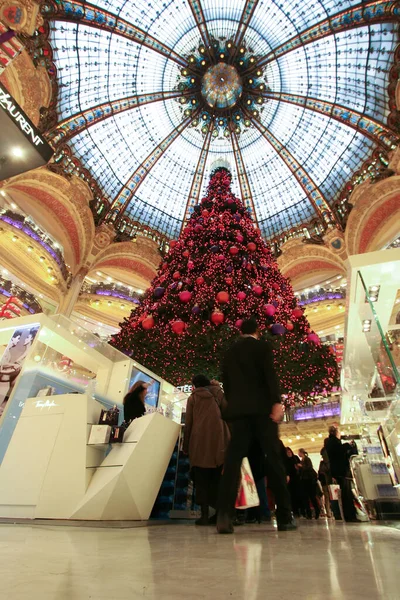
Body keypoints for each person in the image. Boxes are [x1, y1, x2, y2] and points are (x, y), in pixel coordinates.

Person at [217, 317, 295, 534]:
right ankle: (285, 516)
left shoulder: (229, 352)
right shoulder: (262, 347)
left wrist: (236, 404)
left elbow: (228, 384)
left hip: (240, 413)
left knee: (232, 462)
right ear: (258, 331)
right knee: (273, 459)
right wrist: (277, 402)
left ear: (241, 332)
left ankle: (224, 515)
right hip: (263, 412)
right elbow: (269, 375)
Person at [183, 375, 230, 526]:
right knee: (217, 479)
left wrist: (186, 446)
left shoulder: (192, 399)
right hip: (219, 440)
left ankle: (204, 515)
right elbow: (228, 414)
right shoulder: (218, 393)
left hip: (199, 442)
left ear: (195, 385)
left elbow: (189, 423)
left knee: (201, 480)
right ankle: (220, 515)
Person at [324, 424, 357, 522]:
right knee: (346, 493)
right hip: (341, 470)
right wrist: (347, 445)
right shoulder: (333, 442)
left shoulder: (331, 442)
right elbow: (339, 452)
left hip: (338, 470)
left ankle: (349, 515)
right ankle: (349, 516)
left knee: (346, 493)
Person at [298, 448, 320, 519]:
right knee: (306, 497)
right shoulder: (302, 460)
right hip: (304, 480)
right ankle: (309, 513)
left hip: (309, 480)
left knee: (312, 496)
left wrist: (302, 467)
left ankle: (317, 511)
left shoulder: (307, 459)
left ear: (301, 453)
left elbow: (309, 467)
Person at [285, 447, 302, 517]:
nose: (289, 453)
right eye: (287, 452)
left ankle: (300, 511)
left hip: (297, 479)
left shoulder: (295, 458)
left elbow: (300, 466)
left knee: (298, 495)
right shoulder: (285, 460)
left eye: (290, 452)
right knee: (292, 496)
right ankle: (295, 511)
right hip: (290, 480)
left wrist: (299, 467)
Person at [318, 447, 333, 519]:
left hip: (325, 482)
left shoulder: (322, 464)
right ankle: (329, 512)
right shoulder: (327, 463)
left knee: (328, 497)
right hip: (327, 482)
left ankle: (329, 512)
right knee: (329, 497)